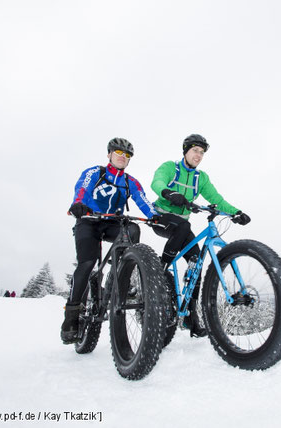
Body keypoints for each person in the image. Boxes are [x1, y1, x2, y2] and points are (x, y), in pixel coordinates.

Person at [150, 133, 251, 337]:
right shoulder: (171, 167)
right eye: (195, 150)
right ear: (185, 151)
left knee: (196, 262)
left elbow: (217, 199)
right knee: (182, 228)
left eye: (202, 153)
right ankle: (160, 270)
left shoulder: (201, 178)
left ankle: (190, 318)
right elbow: (157, 182)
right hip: (161, 217)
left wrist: (236, 212)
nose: (199, 155)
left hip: (182, 225)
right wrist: (168, 193)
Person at [61, 137, 157, 344]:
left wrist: (156, 217)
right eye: (119, 153)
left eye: (127, 155)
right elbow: (82, 188)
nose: (123, 158)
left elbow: (143, 200)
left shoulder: (130, 182)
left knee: (132, 228)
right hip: (88, 220)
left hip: (113, 222)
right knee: (87, 264)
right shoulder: (95, 173)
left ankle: (121, 273)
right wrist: (78, 204)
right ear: (109, 155)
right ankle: (71, 316)